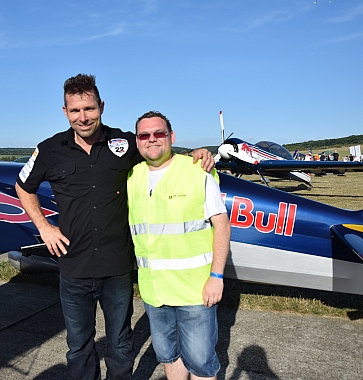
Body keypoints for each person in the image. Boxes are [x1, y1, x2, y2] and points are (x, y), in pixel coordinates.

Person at [14, 74, 214, 380]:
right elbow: (22, 186)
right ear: (65, 112)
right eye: (76, 110)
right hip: (74, 267)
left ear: (101, 106)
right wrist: (44, 228)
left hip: (117, 267)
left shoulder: (122, 143)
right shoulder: (49, 149)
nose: (83, 117)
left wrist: (195, 155)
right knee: (78, 346)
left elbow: (158, 152)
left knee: (120, 344)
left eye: (89, 109)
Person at [127, 111, 230, 380]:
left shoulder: (197, 170)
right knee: (168, 356)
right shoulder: (131, 177)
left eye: (159, 133)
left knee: (200, 363)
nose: (152, 139)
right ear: (137, 141)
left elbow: (222, 224)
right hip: (155, 292)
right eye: (144, 135)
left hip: (194, 292)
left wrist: (217, 277)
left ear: (171, 137)